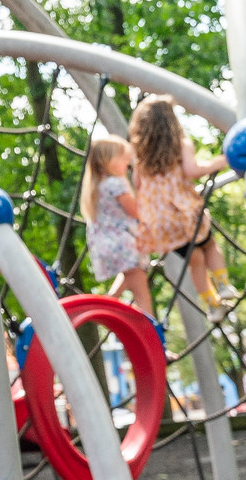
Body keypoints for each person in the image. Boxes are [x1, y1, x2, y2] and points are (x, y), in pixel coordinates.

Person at [128, 95, 235, 315]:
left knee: (195, 261)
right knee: (209, 246)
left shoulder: (140, 154)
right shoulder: (180, 144)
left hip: (160, 222)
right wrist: (221, 161)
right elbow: (192, 171)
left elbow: (137, 184)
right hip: (183, 212)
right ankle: (223, 285)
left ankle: (213, 306)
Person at [81, 133, 152, 314]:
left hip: (107, 245)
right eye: (124, 159)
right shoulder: (116, 183)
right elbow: (135, 211)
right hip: (123, 244)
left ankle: (109, 300)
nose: (127, 164)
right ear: (108, 160)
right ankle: (150, 325)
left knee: (129, 275)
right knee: (140, 287)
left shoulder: (97, 186)